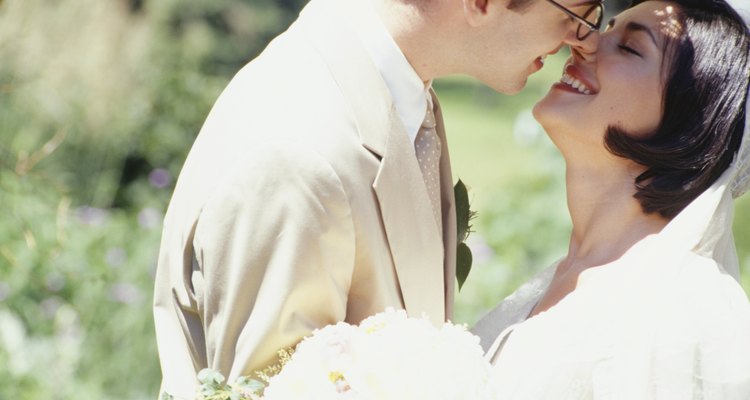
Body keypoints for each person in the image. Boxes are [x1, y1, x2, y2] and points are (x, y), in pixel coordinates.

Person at [152, 0, 605, 397]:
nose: (583, 41)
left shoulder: (395, 93)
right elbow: (266, 387)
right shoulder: (302, 159)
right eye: (576, 14)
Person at [472, 0, 750, 397]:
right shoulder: (557, 282)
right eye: (606, 26)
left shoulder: (680, 309)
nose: (583, 42)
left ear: (691, 122)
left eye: (629, 48)